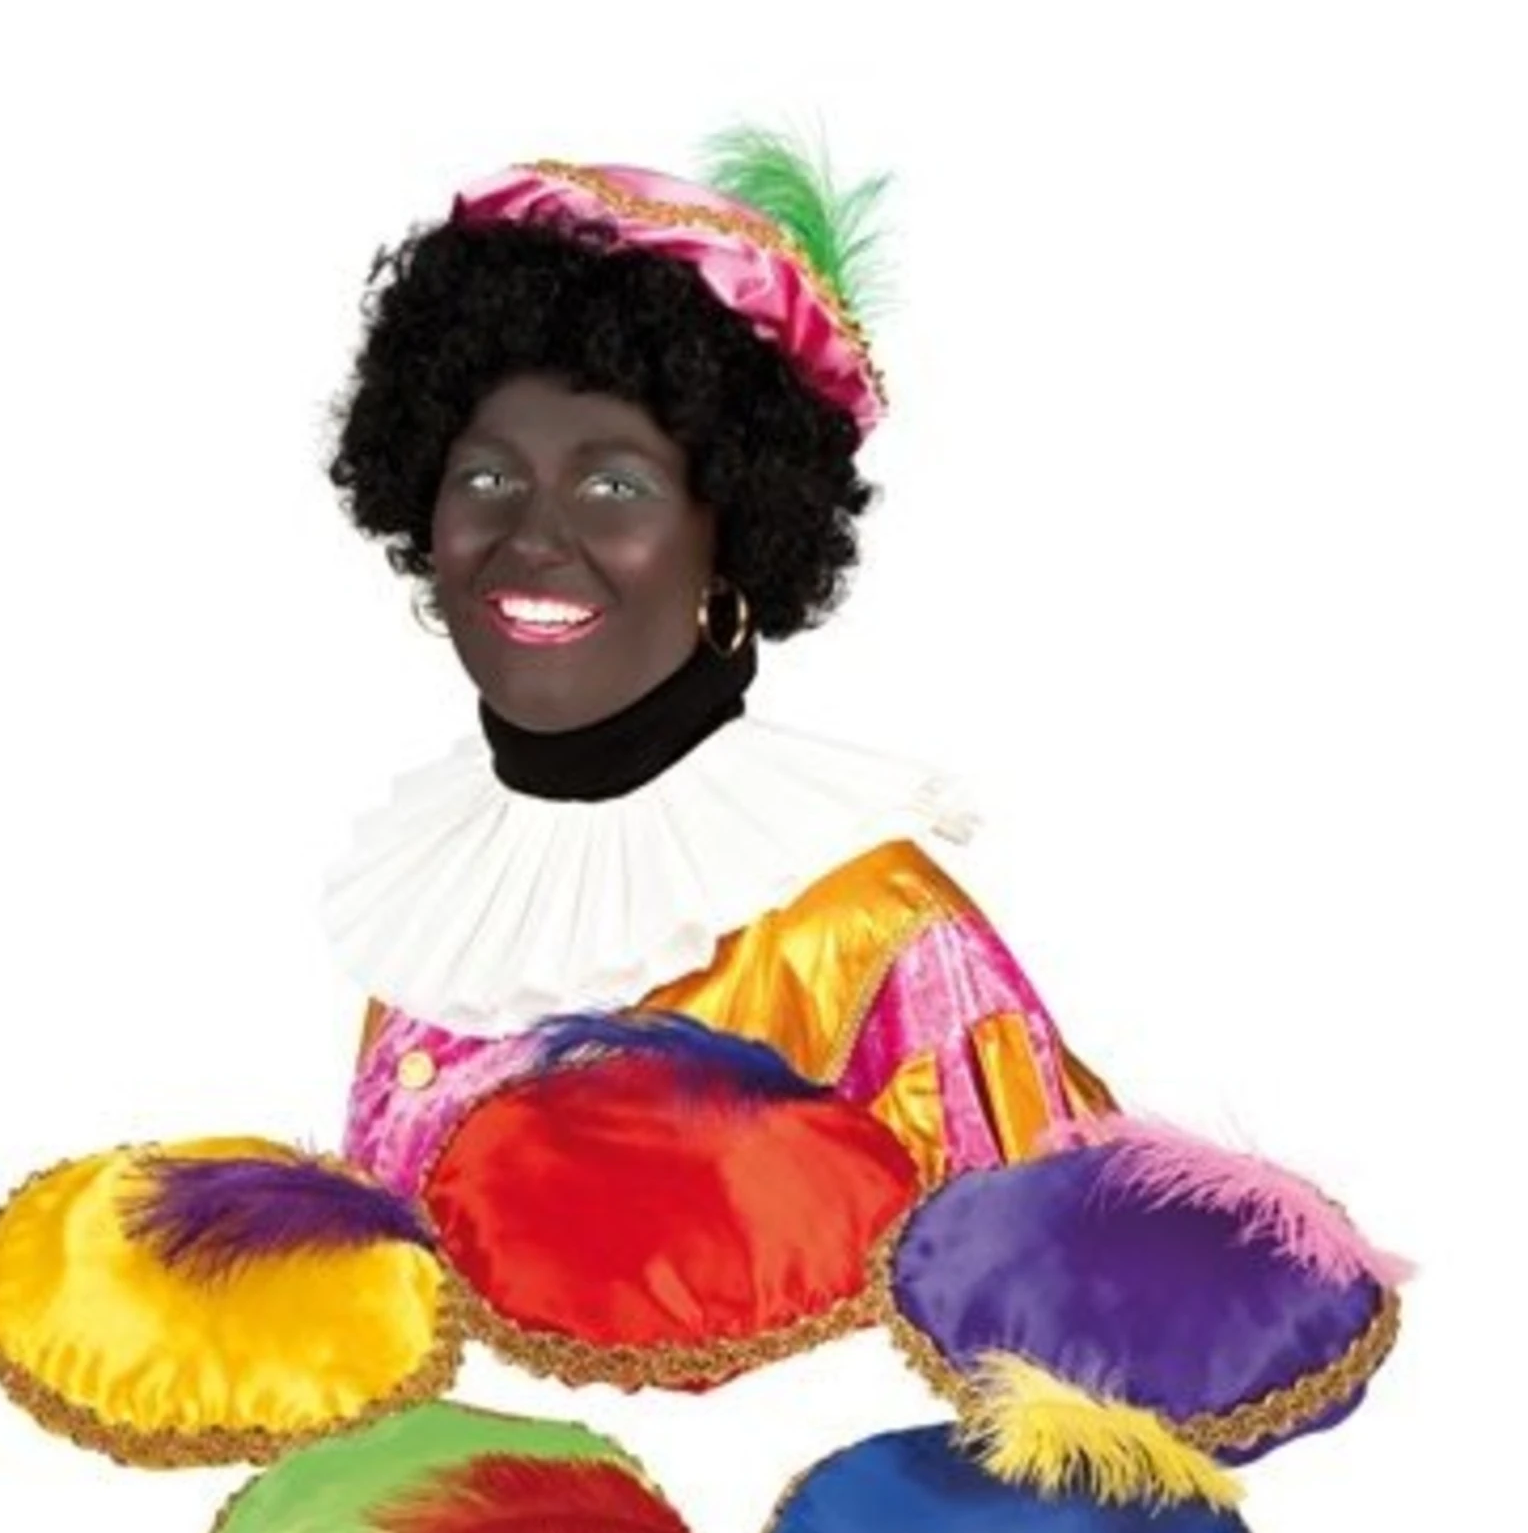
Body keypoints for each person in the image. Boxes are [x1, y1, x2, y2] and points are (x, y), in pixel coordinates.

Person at [324, 145, 1112, 1237]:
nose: (534, 536)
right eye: (488, 477)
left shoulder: (872, 938)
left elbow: (1056, 1295)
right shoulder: (442, 905)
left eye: (615, 485)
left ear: (731, 536)